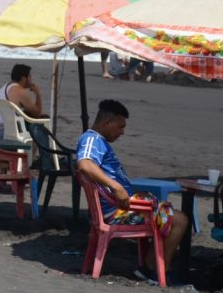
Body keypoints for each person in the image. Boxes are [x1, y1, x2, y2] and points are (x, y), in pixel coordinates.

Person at [77, 99, 190, 285]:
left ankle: (148, 267)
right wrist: (117, 187)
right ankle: (155, 273)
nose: (122, 132)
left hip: (120, 207)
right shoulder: (91, 139)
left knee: (168, 213)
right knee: (179, 220)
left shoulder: (99, 141)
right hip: (117, 213)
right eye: (120, 127)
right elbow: (84, 164)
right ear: (107, 123)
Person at [0, 63, 43, 140]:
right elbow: (37, 113)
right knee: (41, 125)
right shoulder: (19, 91)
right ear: (23, 78)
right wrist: (38, 93)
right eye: (30, 76)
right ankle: (40, 151)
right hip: (3, 129)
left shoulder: (7, 86)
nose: (31, 79)